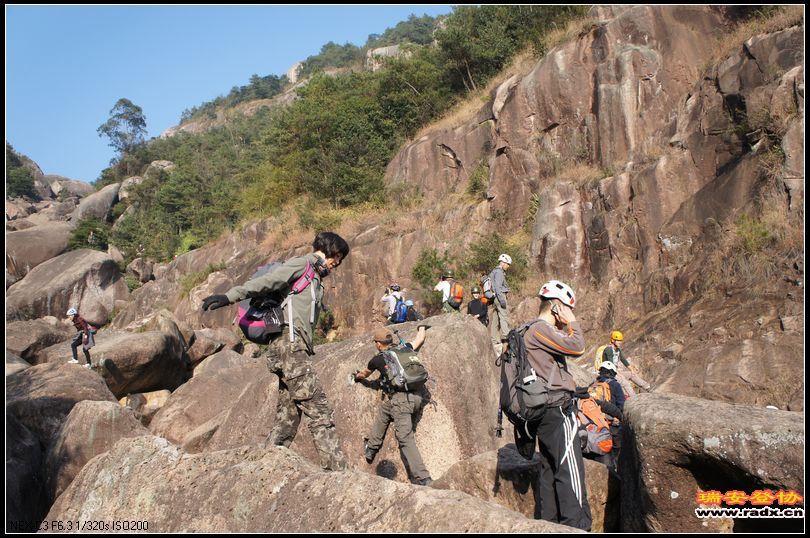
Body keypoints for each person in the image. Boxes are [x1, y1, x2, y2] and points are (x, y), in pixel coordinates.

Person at [201, 231, 350, 471]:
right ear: (329, 249)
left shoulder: (315, 276)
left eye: (341, 260)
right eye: (338, 256)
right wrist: (229, 296)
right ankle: (338, 473)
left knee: (288, 417)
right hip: (289, 345)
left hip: (292, 347)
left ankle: (264, 467)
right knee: (318, 407)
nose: (338, 263)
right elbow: (264, 283)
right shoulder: (302, 264)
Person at [522, 279, 592, 530]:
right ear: (556, 308)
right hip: (557, 410)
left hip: (542, 411)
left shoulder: (528, 330)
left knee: (549, 470)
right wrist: (572, 322)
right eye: (567, 309)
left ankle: (549, 525)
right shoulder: (541, 329)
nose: (568, 316)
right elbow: (578, 347)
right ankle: (577, 527)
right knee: (569, 472)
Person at [352, 325, 433, 486]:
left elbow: (364, 374)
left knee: (405, 438)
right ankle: (372, 447)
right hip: (418, 396)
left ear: (378, 344)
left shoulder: (377, 359)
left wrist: (357, 376)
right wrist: (422, 327)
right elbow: (419, 339)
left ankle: (424, 478)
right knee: (385, 410)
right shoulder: (404, 348)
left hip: (402, 401)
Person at [600, 331, 652, 396]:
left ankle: (647, 387)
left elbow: (623, 360)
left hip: (614, 372)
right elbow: (611, 365)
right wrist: (620, 375)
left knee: (632, 374)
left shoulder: (618, 349)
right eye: (618, 340)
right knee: (625, 383)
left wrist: (632, 370)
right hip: (608, 374)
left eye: (621, 340)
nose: (620, 342)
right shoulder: (608, 350)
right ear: (613, 340)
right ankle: (634, 398)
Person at [488, 254, 512, 354]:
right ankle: (507, 337)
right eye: (507, 264)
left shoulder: (495, 272)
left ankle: (494, 340)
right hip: (500, 296)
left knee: (496, 319)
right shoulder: (499, 272)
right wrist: (502, 299)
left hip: (496, 297)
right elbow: (498, 287)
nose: (508, 266)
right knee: (504, 316)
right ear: (502, 263)